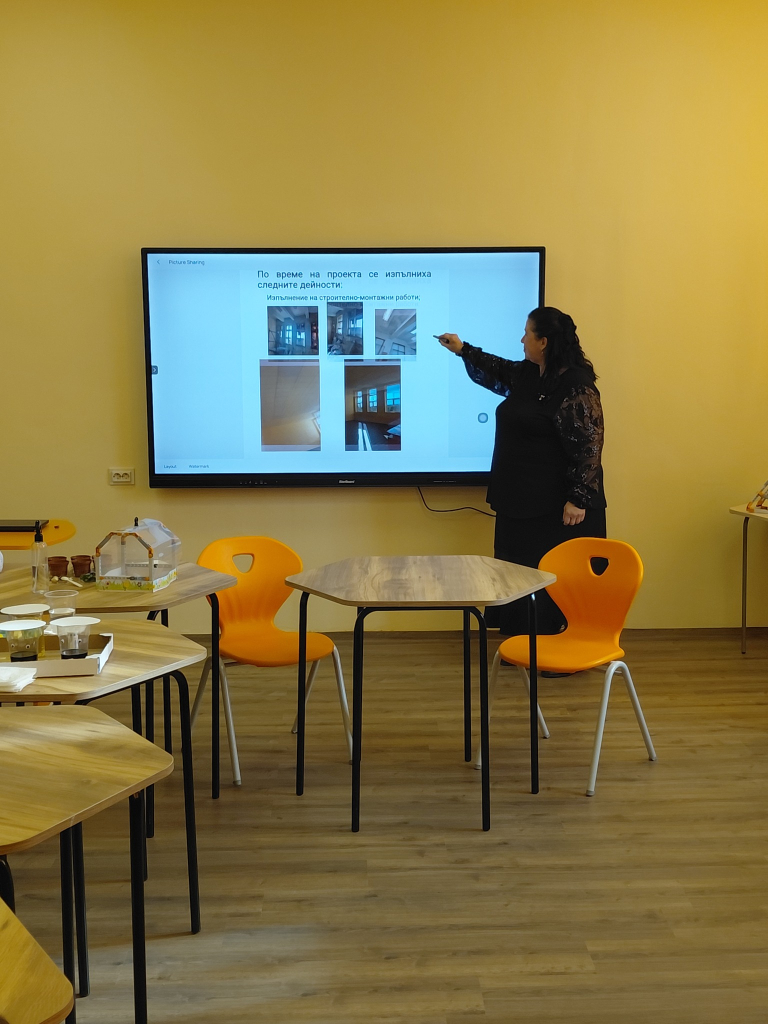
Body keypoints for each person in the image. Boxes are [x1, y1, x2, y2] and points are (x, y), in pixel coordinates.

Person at [437, 307, 606, 635]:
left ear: (543, 342)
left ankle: (557, 648)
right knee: (519, 577)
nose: (521, 339)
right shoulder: (530, 373)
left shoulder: (576, 386)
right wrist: (463, 349)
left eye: (527, 333)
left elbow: (590, 445)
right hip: (520, 502)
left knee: (551, 583)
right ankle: (521, 645)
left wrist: (579, 498)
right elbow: (497, 368)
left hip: (558, 510)